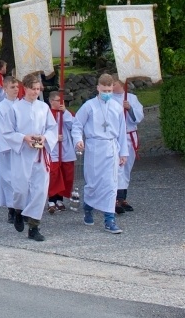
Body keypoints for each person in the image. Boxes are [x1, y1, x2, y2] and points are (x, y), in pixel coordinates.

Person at [3, 73, 58, 240]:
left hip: (40, 154)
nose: (35, 92)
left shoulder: (44, 107)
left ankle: (34, 227)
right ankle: (19, 211)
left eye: (37, 89)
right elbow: (7, 132)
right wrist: (23, 138)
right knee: (20, 189)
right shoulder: (15, 108)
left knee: (40, 191)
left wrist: (45, 137)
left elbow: (52, 128)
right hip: (22, 154)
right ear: (25, 88)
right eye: (32, 89)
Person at [72, 74, 128, 234]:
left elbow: (122, 132)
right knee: (94, 183)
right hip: (94, 148)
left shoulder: (117, 107)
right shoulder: (89, 106)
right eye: (104, 90)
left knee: (111, 184)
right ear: (98, 88)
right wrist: (78, 140)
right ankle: (88, 208)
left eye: (109, 90)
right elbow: (77, 124)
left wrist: (123, 152)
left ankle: (109, 219)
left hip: (111, 147)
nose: (107, 93)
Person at [112, 76, 144, 214]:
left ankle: (123, 198)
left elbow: (139, 116)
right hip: (117, 137)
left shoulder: (132, 98)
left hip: (129, 135)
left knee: (126, 167)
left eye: (114, 84)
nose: (112, 87)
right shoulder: (109, 98)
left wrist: (130, 109)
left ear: (122, 85)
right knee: (117, 167)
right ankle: (115, 199)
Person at [0, 73, 21, 220]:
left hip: (22, 148)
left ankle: (22, 208)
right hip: (9, 150)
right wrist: (8, 146)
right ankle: (11, 208)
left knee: (22, 179)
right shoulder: (1, 107)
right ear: (5, 89)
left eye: (17, 86)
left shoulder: (22, 104)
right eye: (12, 87)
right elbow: (0, 129)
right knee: (9, 178)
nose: (16, 89)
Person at [47, 90, 77, 213]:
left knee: (66, 174)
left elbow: (73, 125)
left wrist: (65, 112)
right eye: (58, 100)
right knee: (53, 174)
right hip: (52, 148)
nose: (60, 103)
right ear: (51, 101)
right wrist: (54, 137)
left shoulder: (65, 113)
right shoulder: (46, 114)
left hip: (65, 147)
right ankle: (51, 200)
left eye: (62, 101)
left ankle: (60, 199)